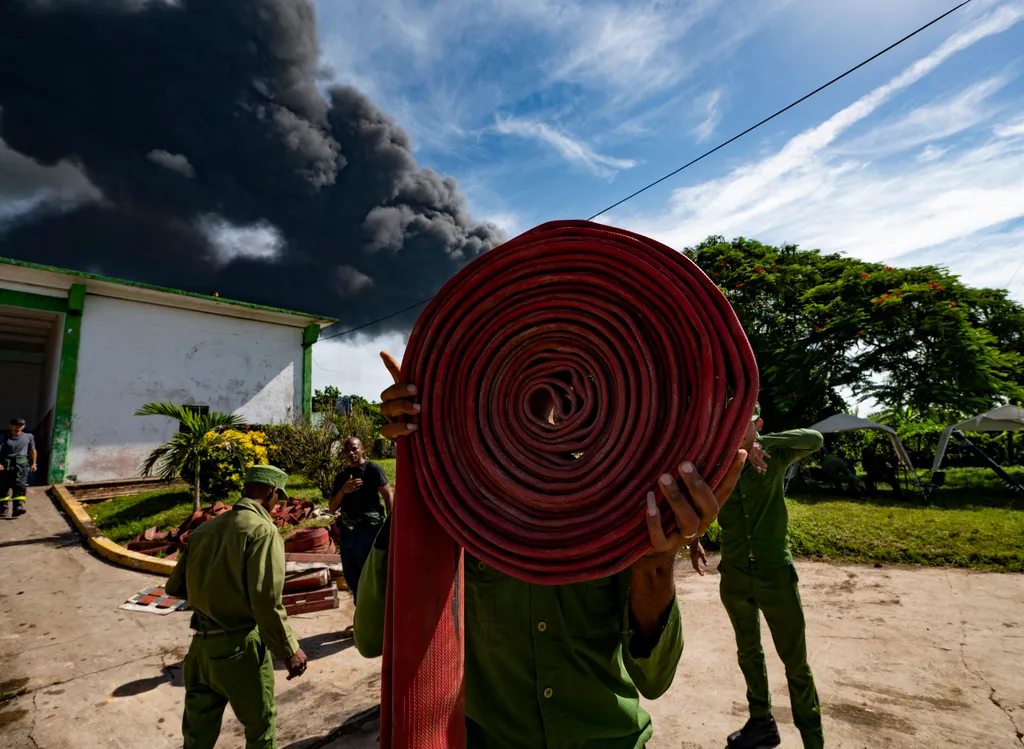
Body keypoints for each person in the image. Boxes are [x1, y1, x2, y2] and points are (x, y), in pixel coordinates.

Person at [354, 351, 748, 748]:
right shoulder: (458, 510)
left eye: (554, 390)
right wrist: (423, 469)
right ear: (473, 401)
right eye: (510, 388)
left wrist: (657, 562)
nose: (534, 416)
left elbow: (654, 679)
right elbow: (371, 638)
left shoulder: (617, 507)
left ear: (578, 408)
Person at [690, 405, 825, 749]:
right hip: (734, 574)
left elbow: (815, 438)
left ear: (758, 425)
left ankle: (813, 739)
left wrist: (760, 443)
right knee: (748, 652)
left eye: (743, 425)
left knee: (795, 662)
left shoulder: (774, 454)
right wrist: (693, 541)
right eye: (729, 426)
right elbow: (698, 503)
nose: (734, 431)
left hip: (775, 574)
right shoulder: (719, 465)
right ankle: (762, 723)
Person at [165, 465, 308, 749]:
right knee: (260, 727)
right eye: (278, 498)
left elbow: (174, 587)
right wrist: (288, 649)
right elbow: (266, 600)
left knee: (197, 734)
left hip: (201, 649)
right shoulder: (262, 530)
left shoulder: (205, 529)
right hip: (239, 647)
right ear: (272, 493)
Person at [328, 436, 393, 636]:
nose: (351, 453)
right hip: (349, 532)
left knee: (372, 574)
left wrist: (392, 524)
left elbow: (388, 496)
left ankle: (380, 623)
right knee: (353, 574)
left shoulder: (373, 469)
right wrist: (344, 491)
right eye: (347, 450)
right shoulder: (342, 476)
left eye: (354, 448)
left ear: (363, 449)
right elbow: (332, 507)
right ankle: (362, 621)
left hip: (370, 530)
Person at [0, 418, 38, 518]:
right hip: (6, 464)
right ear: (10, 425)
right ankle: (2, 509)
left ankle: (18, 508)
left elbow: (32, 450)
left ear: (23, 426)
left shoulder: (29, 436)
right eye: (16, 424)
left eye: (21, 425)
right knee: (3, 486)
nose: (18, 426)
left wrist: (34, 464)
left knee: (20, 486)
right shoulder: (4, 437)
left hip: (22, 465)